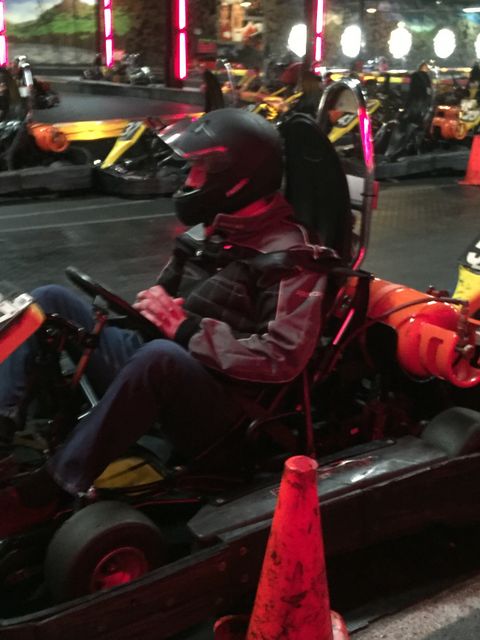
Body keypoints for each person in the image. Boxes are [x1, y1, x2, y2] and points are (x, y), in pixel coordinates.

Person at [0, 108, 334, 538]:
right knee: (50, 300)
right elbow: (161, 310)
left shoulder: (293, 258)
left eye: (200, 169)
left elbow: (282, 357)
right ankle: (4, 426)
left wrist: (186, 330)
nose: (189, 180)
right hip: (169, 364)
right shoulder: (208, 235)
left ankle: (51, 488)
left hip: (228, 409)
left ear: (239, 178)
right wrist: (152, 311)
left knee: (159, 357)